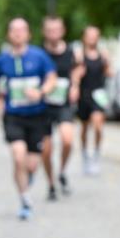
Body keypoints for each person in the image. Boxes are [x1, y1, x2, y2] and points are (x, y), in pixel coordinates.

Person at [0, 18, 57, 220]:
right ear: (9, 34)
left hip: (37, 116)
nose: (18, 34)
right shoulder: (1, 60)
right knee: (18, 156)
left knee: (32, 164)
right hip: (13, 116)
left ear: (28, 34)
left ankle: (26, 180)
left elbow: (51, 78)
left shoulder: (39, 56)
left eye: (22, 30)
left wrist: (41, 91)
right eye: (14, 30)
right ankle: (25, 199)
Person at [41, 16, 80, 200]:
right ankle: (50, 184)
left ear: (63, 31)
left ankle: (62, 172)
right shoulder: (39, 54)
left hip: (63, 103)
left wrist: (75, 85)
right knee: (47, 150)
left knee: (67, 140)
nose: (53, 33)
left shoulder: (72, 52)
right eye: (49, 30)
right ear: (44, 32)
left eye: (56, 29)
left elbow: (78, 69)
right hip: (44, 106)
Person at [76, 25, 113, 175]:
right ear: (84, 38)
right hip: (84, 95)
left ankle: (96, 154)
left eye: (95, 35)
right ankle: (85, 155)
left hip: (98, 95)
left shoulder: (103, 55)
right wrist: (78, 73)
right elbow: (75, 75)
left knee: (98, 126)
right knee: (85, 127)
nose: (92, 38)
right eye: (89, 35)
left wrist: (108, 64)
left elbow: (110, 73)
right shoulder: (79, 55)